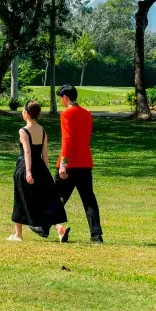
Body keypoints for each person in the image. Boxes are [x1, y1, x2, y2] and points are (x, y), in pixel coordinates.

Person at [9, 100, 69, 242]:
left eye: (23, 110)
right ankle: (59, 227)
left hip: (25, 167)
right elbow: (45, 154)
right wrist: (45, 172)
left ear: (27, 114)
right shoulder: (42, 130)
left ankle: (18, 235)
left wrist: (28, 172)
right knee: (45, 199)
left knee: (20, 198)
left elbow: (27, 152)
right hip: (41, 167)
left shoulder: (23, 131)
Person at [55, 84, 104, 243]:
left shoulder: (66, 114)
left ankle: (42, 226)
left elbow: (67, 140)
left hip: (69, 163)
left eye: (61, 99)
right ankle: (96, 235)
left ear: (65, 97)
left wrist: (63, 163)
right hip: (84, 162)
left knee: (57, 196)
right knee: (88, 199)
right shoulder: (87, 114)